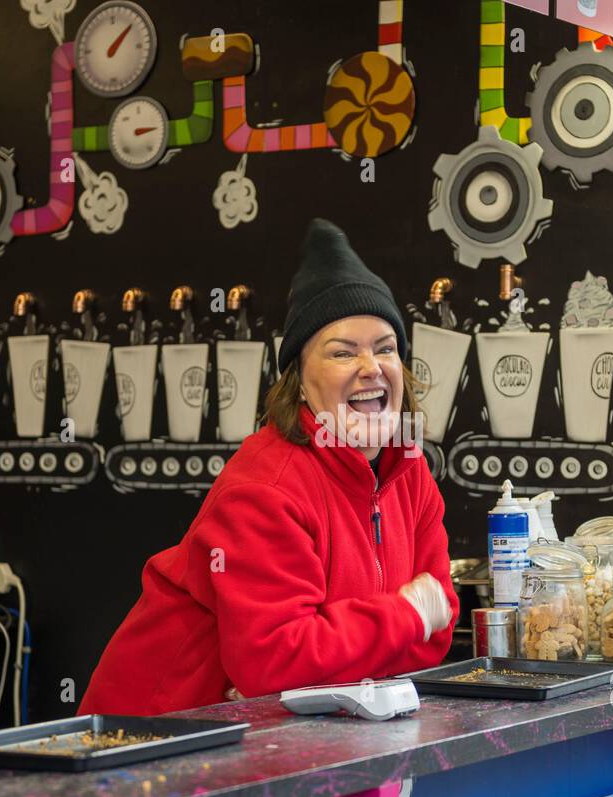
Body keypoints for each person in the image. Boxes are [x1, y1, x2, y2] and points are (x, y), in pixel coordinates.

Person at [80, 219, 457, 716]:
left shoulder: (410, 473)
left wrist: (321, 667)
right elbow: (277, 659)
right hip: (159, 739)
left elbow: (438, 629)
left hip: (276, 730)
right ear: (299, 382)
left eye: (385, 348)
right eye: (343, 352)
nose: (371, 367)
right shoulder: (265, 486)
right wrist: (403, 614)